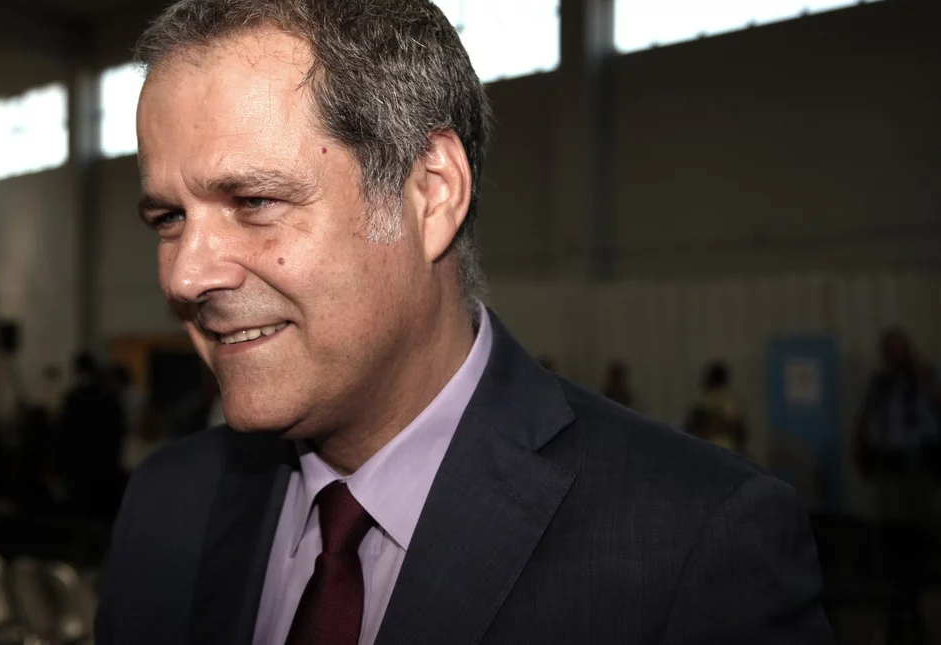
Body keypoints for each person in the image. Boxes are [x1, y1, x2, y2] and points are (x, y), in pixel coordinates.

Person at [96, 1, 831, 643]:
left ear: (432, 192)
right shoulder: (167, 505)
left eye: (254, 202)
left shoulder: (692, 542)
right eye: (168, 218)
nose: (186, 275)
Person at [856, 328, 940, 522]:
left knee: (927, 519)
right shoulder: (881, 383)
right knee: (893, 520)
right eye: (890, 351)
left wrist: (923, 376)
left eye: (900, 350)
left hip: (925, 459)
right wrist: (862, 451)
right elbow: (865, 417)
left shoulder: (928, 375)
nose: (896, 356)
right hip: (893, 462)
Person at [58, 353, 126, 520]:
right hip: (105, 466)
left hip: (79, 466)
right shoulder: (109, 398)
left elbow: (66, 434)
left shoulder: (75, 398)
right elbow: (118, 433)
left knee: (80, 516)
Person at [685, 361, 748, 455]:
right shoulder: (704, 401)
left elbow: (735, 425)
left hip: (724, 449)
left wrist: (714, 427)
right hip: (711, 448)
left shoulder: (727, 400)